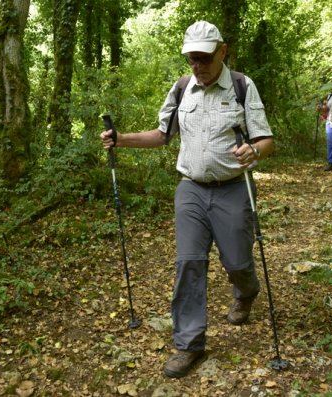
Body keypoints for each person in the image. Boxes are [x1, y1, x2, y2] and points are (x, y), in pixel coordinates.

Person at [100, 21, 274, 378]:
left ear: (222, 51)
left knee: (238, 261)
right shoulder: (182, 89)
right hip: (191, 189)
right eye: (191, 58)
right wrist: (121, 139)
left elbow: (266, 140)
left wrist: (253, 151)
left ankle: (246, 291)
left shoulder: (242, 86)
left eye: (204, 57)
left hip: (233, 188)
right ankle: (188, 343)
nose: (197, 65)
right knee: (189, 263)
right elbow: (162, 135)